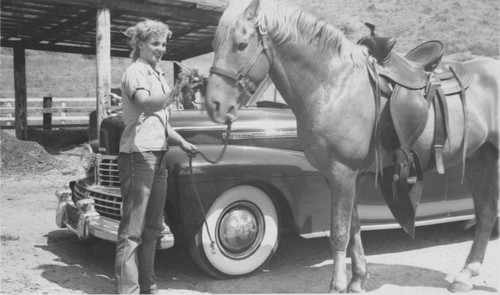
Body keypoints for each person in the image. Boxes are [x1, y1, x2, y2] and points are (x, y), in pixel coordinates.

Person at [115, 19, 197, 294]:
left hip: (158, 155)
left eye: (163, 44)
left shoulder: (158, 74)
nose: (160, 48)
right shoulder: (135, 72)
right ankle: (128, 290)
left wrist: (182, 142)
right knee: (132, 230)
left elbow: (161, 121)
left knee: (152, 228)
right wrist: (175, 91)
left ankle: (148, 286)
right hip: (139, 156)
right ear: (139, 44)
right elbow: (146, 104)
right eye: (154, 43)